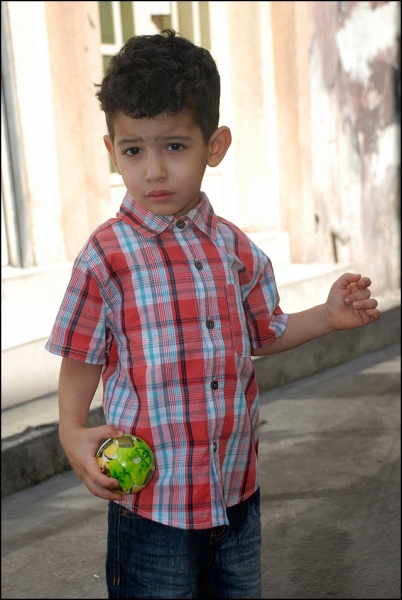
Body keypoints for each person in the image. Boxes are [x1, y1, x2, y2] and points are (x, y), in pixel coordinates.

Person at [45, 30, 381, 599]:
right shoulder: (106, 255)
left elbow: (263, 333)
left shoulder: (234, 248)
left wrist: (325, 318)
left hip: (235, 495)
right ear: (111, 150)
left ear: (215, 145)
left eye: (174, 146)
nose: (154, 171)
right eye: (133, 150)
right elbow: (81, 355)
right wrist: (71, 431)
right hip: (153, 507)